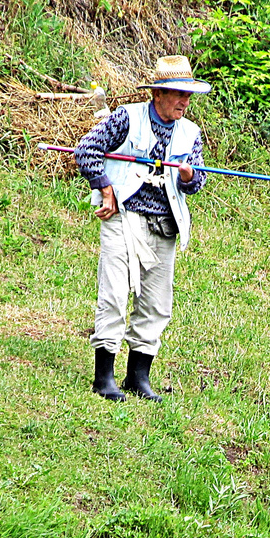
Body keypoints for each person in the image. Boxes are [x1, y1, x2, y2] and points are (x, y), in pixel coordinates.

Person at [72, 55, 210, 402]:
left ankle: (138, 378)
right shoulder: (127, 117)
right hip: (123, 216)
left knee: (157, 304)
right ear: (159, 93)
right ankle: (104, 379)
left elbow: (199, 182)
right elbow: (86, 151)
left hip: (165, 225)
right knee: (116, 295)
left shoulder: (191, 133)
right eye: (179, 94)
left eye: (188, 96)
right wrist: (105, 187)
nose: (185, 102)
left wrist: (189, 175)